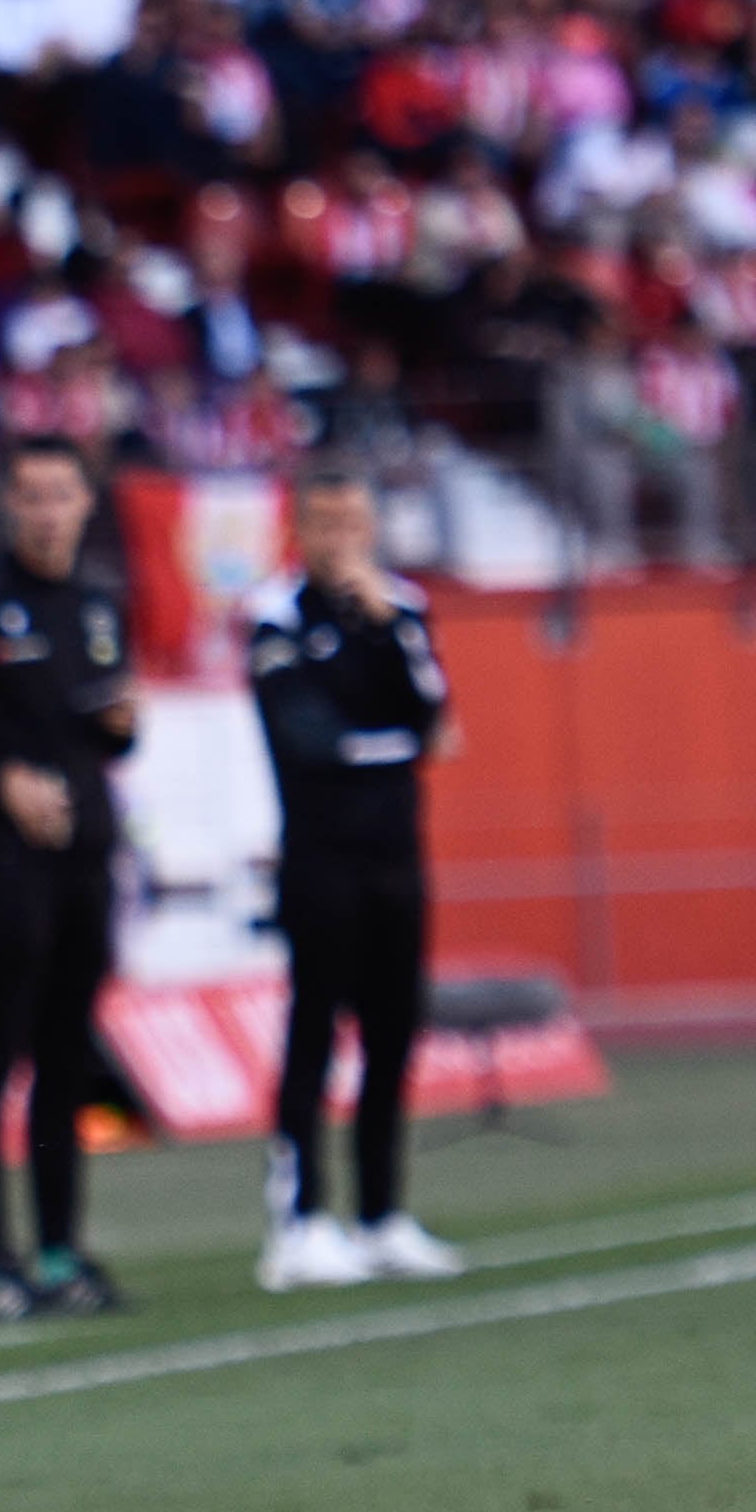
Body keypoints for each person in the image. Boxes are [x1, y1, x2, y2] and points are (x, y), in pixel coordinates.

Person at [0, 435, 137, 1323]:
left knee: (66, 1058)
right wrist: (0, 774)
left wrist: (124, 728)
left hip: (88, 855)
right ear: (10, 504)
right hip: (4, 863)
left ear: (86, 502)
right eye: (33, 495)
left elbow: (105, 730)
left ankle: (60, 1249)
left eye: (64, 493)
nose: (49, 510)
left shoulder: (99, 602)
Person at [247, 466, 467, 1291]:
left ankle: (381, 1215)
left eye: (354, 521)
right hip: (319, 854)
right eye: (325, 522)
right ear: (300, 528)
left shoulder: (402, 608)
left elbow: (432, 713)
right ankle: (298, 1221)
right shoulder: (274, 615)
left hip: (396, 855)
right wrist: (393, 743)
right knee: (314, 1033)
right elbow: (308, 737)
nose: (341, 539)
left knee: (392, 1034)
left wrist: (383, 634)